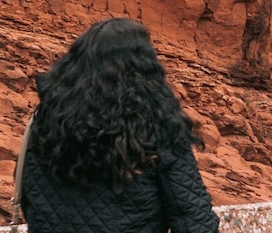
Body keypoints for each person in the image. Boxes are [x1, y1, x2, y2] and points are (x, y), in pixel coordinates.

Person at [16, 18, 220, 232]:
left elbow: (30, 200)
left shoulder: (46, 122)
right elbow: (193, 221)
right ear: (145, 68)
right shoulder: (156, 129)